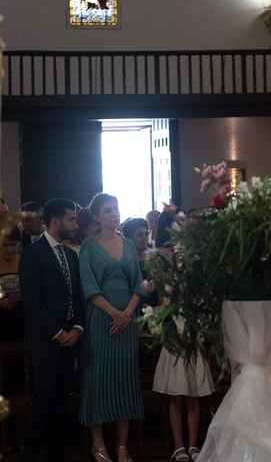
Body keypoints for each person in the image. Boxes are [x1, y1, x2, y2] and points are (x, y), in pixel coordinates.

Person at [79, 193, 145, 462]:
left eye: (116, 209)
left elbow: (138, 284)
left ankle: (122, 446)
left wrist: (127, 314)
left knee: (125, 380)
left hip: (127, 323)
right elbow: (89, 286)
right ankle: (97, 443)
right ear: (97, 216)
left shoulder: (129, 245)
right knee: (98, 380)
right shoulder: (88, 246)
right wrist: (114, 314)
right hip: (101, 321)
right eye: (108, 211)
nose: (114, 214)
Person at [19, 199, 85, 462]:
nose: (75, 224)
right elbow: (33, 301)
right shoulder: (33, 254)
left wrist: (78, 328)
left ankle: (59, 452)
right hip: (46, 341)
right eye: (71, 219)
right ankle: (37, 453)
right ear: (56, 221)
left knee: (64, 398)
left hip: (71, 338)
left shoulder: (70, 254)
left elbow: (77, 296)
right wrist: (58, 332)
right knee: (44, 399)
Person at [152, 215, 214, 462]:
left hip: (193, 331)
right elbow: (162, 300)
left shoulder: (197, 266)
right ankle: (178, 445)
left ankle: (194, 444)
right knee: (175, 393)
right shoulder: (164, 265)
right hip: (174, 331)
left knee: (194, 393)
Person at [121, 218, 157, 307]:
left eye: (146, 234)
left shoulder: (153, 255)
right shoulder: (124, 260)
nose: (144, 238)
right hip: (133, 306)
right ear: (128, 238)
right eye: (140, 235)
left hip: (154, 303)